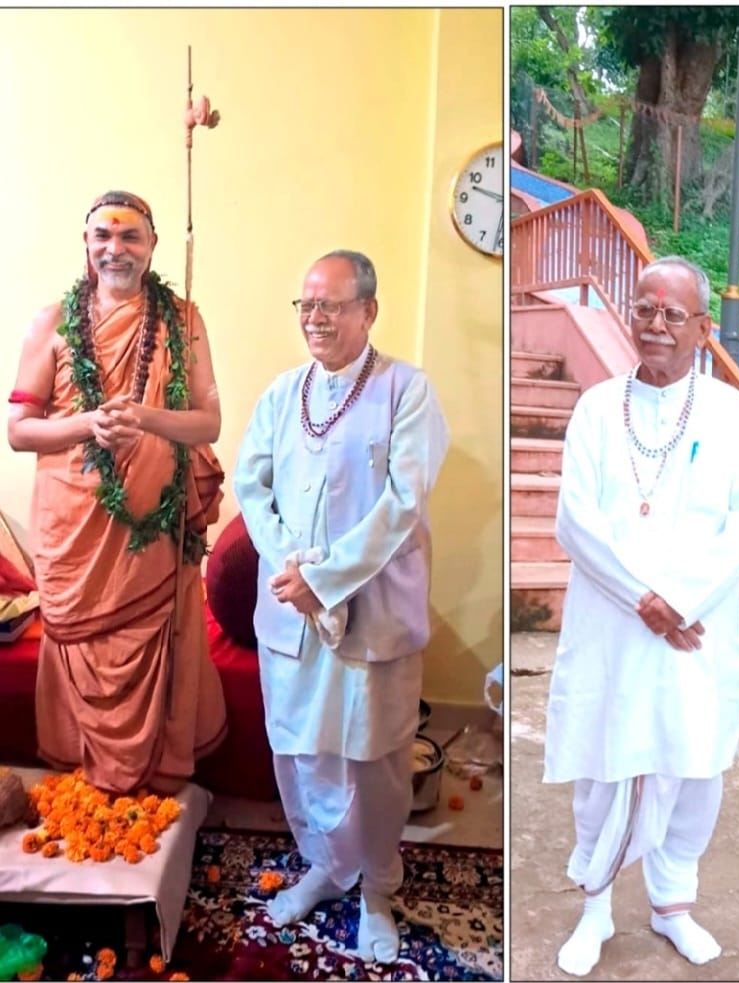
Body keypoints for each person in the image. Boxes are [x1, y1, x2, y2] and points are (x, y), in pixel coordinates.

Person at [543, 256, 739, 976]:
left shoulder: (731, 414)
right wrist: (644, 597)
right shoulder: (594, 407)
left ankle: (673, 905)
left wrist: (680, 598)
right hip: (612, 620)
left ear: (704, 329)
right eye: (644, 308)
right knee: (603, 765)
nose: (655, 324)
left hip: (694, 628)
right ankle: (594, 906)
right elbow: (573, 518)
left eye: (674, 314)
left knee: (693, 764)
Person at [233, 250, 449, 962]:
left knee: (374, 760)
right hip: (292, 614)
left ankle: (378, 888)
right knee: (299, 751)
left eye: (329, 304)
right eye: (305, 305)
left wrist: (325, 578)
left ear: (368, 310)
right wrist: (288, 561)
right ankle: (325, 867)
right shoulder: (281, 392)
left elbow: (403, 503)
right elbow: (251, 484)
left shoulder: (406, 391)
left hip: (372, 613)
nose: (315, 318)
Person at [6, 190, 227, 795]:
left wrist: (149, 418)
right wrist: (88, 422)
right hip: (72, 526)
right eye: (103, 235)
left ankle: (152, 782)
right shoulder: (51, 322)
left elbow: (209, 423)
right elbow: (19, 432)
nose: (115, 248)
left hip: (151, 526)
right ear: (86, 244)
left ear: (152, 246)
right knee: (76, 637)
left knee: (156, 630)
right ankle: (84, 781)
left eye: (130, 236)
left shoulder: (183, 320)